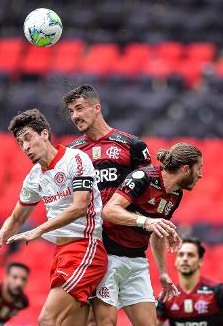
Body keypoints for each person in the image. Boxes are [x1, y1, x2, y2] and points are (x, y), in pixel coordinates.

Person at [0, 108, 108, 326]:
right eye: (21, 143)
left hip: (85, 248)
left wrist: (39, 230)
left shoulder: (75, 159)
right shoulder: (34, 177)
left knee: (47, 319)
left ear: (45, 134)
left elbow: (80, 207)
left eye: (28, 138)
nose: (26, 147)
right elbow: (17, 218)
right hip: (62, 253)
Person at [62, 84, 152, 325]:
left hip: (130, 248)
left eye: (79, 109)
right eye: (71, 111)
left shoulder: (132, 145)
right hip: (95, 247)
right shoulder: (72, 153)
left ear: (97, 107)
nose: (75, 116)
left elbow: (149, 192)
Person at [94, 143, 203, 326]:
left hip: (136, 261)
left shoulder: (176, 194)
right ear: (186, 169)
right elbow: (109, 210)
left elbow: (156, 231)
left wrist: (163, 273)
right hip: (109, 257)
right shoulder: (142, 178)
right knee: (105, 323)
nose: (200, 174)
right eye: (198, 168)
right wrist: (146, 221)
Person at [156, 237, 223, 326]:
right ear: (176, 261)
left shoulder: (218, 291)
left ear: (200, 262)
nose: (185, 258)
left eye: (190, 255)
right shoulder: (167, 297)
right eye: (181, 255)